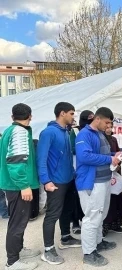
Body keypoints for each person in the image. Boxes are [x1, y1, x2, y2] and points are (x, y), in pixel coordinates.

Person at [76, 107, 121, 267]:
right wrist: (109, 160)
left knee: (100, 215)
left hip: (103, 180)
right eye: (107, 122)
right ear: (98, 119)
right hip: (91, 182)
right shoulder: (84, 134)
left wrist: (114, 156)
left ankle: (98, 242)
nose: (108, 126)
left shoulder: (99, 134)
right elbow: (84, 156)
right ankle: (89, 253)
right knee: (92, 217)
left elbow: (102, 155)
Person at [37, 102, 81, 265]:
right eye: (71, 113)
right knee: (52, 215)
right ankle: (48, 250)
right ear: (62, 113)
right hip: (55, 181)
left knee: (67, 210)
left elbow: (68, 156)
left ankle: (65, 238)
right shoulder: (49, 132)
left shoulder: (66, 132)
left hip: (68, 179)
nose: (73, 116)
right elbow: (40, 159)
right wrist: (46, 181)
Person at [0, 103, 40, 270]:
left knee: (18, 220)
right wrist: (24, 185)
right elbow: (15, 162)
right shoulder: (20, 132)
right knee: (18, 222)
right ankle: (12, 261)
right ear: (30, 116)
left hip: (12, 184)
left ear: (12, 117)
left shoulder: (10, 130)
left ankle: (19, 249)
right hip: (17, 185)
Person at [69, 110, 94, 234]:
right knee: (76, 197)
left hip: (90, 169)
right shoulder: (75, 131)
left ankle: (87, 221)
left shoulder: (93, 131)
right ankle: (75, 222)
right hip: (77, 167)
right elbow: (72, 148)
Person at [103, 121, 122, 236]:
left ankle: (116, 224)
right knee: (107, 201)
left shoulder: (113, 139)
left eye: (110, 126)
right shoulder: (100, 140)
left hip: (115, 174)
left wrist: (117, 165)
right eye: (107, 126)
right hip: (105, 174)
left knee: (117, 199)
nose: (109, 128)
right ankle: (106, 226)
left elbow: (118, 155)